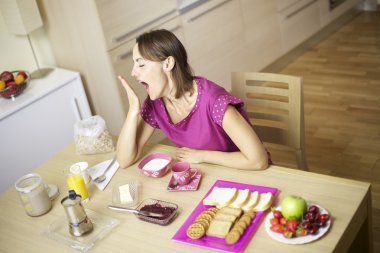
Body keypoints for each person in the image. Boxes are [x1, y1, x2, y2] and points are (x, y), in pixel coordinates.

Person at [117, 29, 269, 170]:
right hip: (208, 173)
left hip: (245, 173)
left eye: (141, 64)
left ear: (168, 63)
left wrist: (202, 156)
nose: (133, 72)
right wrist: (132, 112)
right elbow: (124, 160)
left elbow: (258, 160)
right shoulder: (155, 105)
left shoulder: (213, 101)